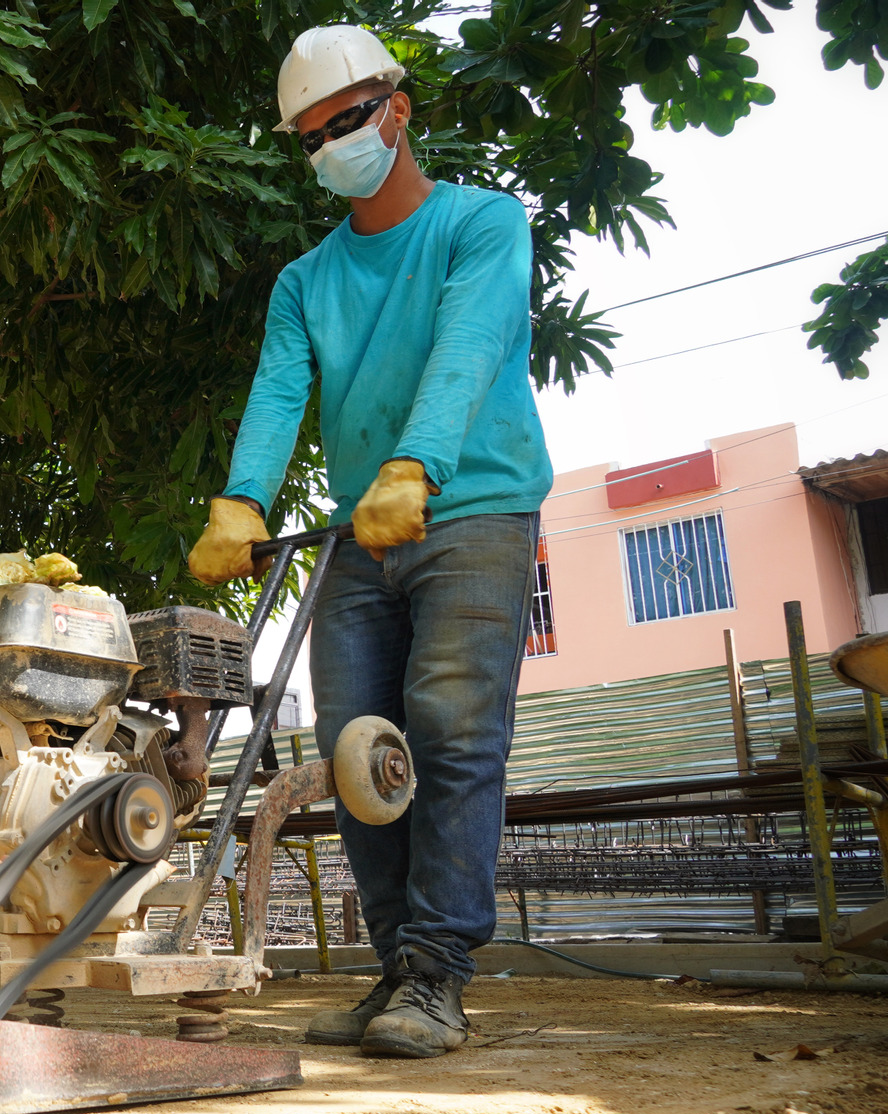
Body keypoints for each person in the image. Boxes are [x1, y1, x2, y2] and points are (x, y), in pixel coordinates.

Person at [185, 24, 551, 1059]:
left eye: (343, 121)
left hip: (470, 509)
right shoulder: (303, 281)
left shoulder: (480, 224)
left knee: (447, 726)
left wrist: (413, 464)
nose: (330, 146)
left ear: (394, 109)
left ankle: (436, 974)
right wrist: (241, 499)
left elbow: (470, 342)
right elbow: (276, 390)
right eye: (309, 138)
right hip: (359, 534)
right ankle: (395, 968)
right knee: (357, 756)